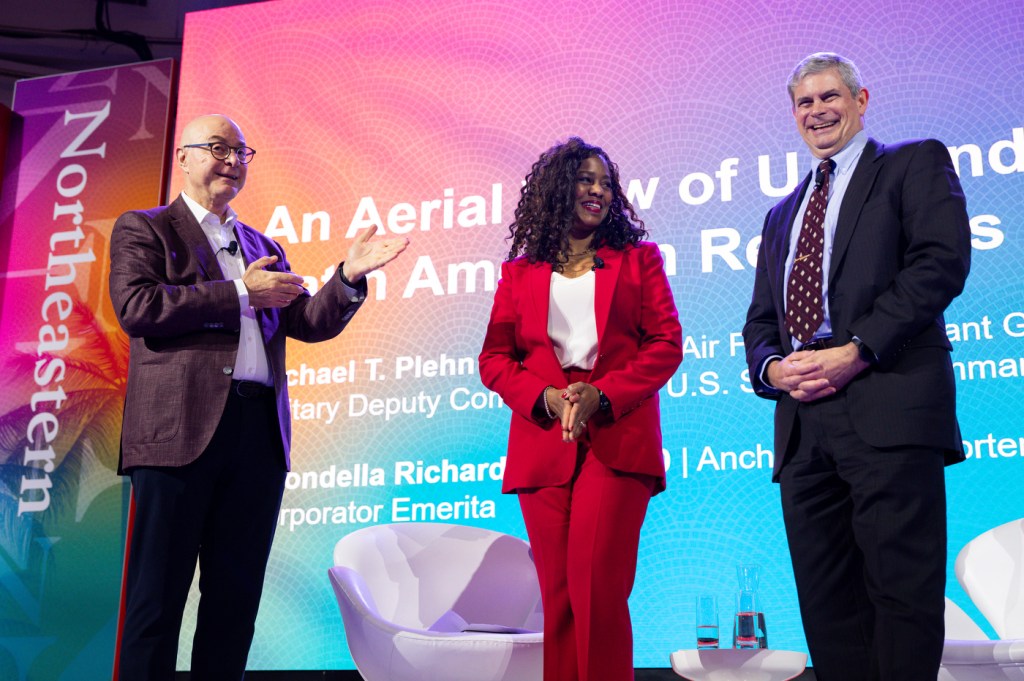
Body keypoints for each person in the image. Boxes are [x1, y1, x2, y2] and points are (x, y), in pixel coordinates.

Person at [108, 113, 408, 681]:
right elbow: (138, 309)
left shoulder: (261, 245)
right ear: (186, 158)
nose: (232, 162)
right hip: (179, 437)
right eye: (218, 148)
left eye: (242, 153)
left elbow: (308, 321)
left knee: (235, 602)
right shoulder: (145, 228)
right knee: (156, 601)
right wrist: (239, 291)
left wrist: (346, 277)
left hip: (256, 438)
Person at [742, 53, 971, 681]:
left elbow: (939, 263)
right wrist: (772, 370)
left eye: (829, 96)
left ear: (861, 99)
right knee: (827, 605)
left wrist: (859, 349)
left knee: (901, 597)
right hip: (804, 426)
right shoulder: (781, 213)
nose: (817, 110)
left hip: (888, 402)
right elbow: (760, 320)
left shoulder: (911, 162)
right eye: (804, 103)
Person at [479, 137, 682, 681]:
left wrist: (603, 394)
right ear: (555, 189)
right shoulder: (519, 274)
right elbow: (495, 359)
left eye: (606, 183)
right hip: (544, 440)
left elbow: (665, 344)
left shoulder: (639, 261)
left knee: (597, 586)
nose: (597, 190)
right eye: (585, 180)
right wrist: (543, 398)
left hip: (615, 435)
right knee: (560, 595)